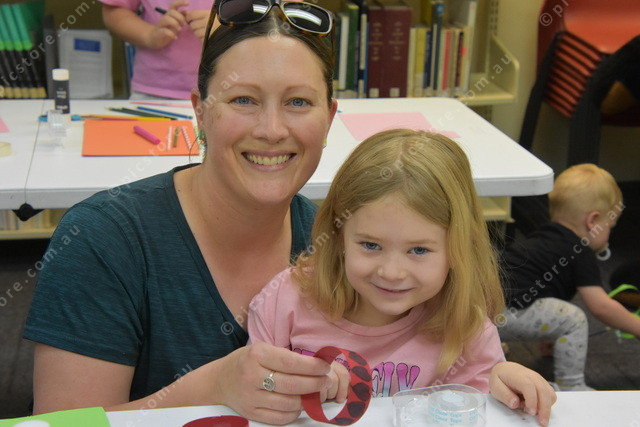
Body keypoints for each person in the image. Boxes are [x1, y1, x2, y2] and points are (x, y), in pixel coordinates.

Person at [24, 3, 553, 424]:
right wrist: (213, 386)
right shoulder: (105, 241)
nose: (272, 129)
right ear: (199, 111)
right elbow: (60, 425)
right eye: (243, 100)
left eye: (298, 102)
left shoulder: (347, 241)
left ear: (330, 117)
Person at [248, 129, 556, 425]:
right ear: (338, 234)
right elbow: (250, 391)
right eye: (370, 245)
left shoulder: (465, 329)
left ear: (458, 248)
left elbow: (472, 410)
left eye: (419, 250)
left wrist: (500, 385)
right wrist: (290, 389)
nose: (391, 273)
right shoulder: (285, 300)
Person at [498, 163, 640, 391]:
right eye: (609, 226)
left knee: (555, 312)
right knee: (573, 319)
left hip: (481, 312)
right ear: (593, 221)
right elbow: (601, 307)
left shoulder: (544, 237)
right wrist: (637, 326)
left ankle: (486, 345)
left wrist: (549, 334)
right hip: (504, 315)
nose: (608, 235)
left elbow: (538, 290)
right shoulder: (579, 249)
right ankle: (572, 386)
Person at [101, 0, 213, 99]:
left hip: (219, 92)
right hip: (153, 91)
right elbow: (114, 10)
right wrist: (149, 35)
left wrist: (221, 25)